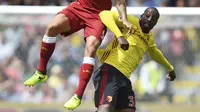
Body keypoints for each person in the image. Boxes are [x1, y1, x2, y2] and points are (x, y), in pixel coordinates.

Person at [24, 0, 132, 110]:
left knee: (91, 48)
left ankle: (78, 96)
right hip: (80, 7)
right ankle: (41, 72)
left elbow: (120, 3)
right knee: (52, 27)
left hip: (98, 16)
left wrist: (124, 19)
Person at [93, 7, 176, 112]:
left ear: (155, 23)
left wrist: (170, 68)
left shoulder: (149, 38)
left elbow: (154, 52)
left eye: (153, 19)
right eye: (147, 16)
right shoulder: (130, 21)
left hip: (125, 78)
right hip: (110, 71)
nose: (149, 20)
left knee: (128, 110)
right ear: (142, 16)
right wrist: (119, 36)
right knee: (106, 108)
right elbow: (104, 14)